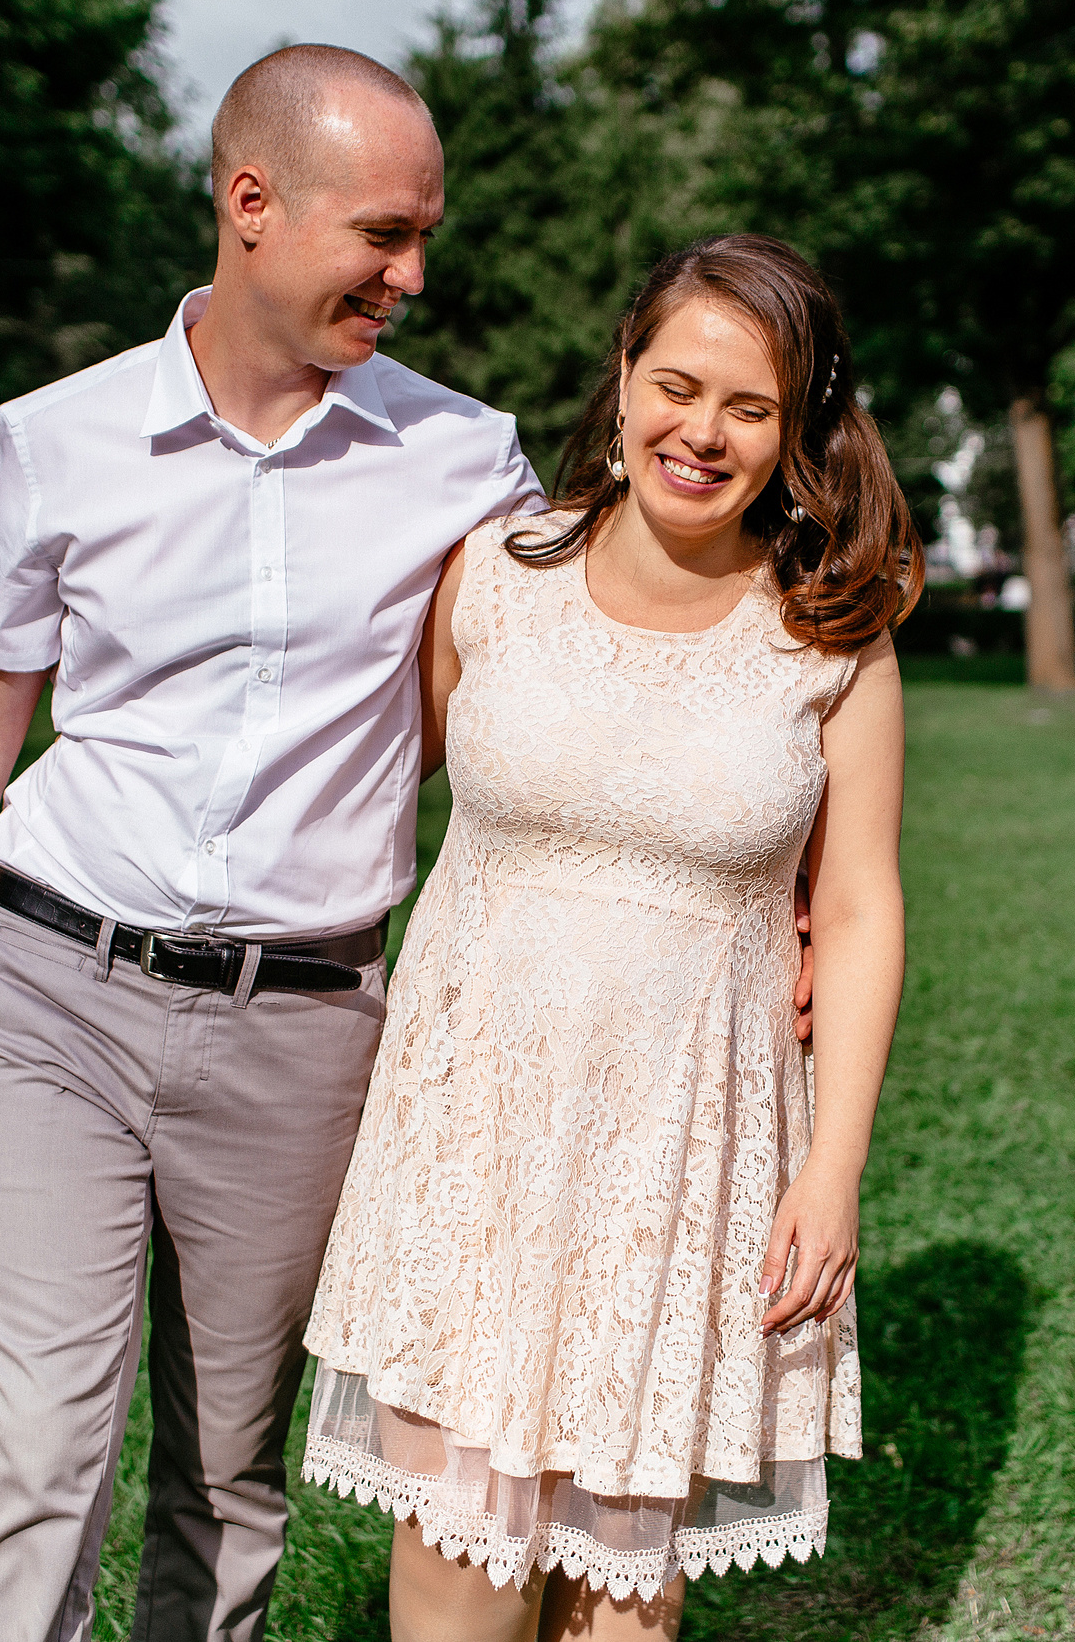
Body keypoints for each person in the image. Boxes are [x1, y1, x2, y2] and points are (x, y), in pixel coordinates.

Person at [0, 45, 552, 1641]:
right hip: (48, 991)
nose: (411, 274)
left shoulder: (465, 462)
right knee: (33, 1448)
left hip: (303, 1030)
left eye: (422, 234)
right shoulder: (60, 438)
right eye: (381, 233)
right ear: (250, 205)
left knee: (227, 1472)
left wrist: (777, 891)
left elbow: (565, 708)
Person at [302, 234, 919, 1642]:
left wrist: (836, 1170)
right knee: (457, 1568)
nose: (700, 433)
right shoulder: (495, 574)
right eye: (675, 385)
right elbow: (399, 786)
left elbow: (868, 901)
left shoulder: (833, 635)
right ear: (624, 377)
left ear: (796, 428)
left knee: (626, 1598)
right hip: (476, 1137)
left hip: (687, 1150)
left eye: (749, 408)